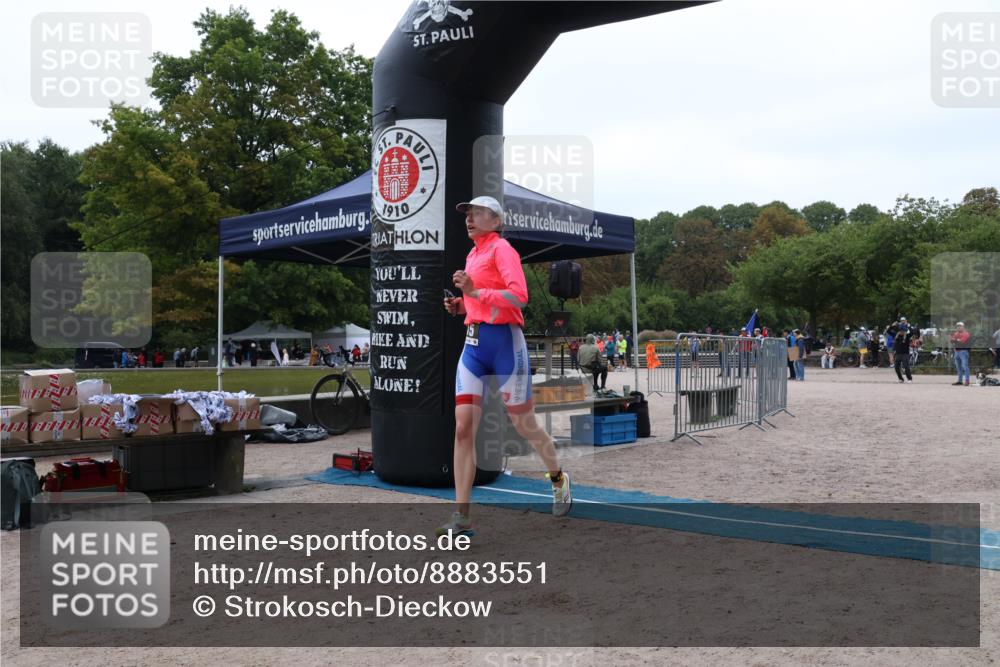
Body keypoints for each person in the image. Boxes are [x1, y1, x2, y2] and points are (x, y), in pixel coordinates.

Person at [439, 195, 571, 537]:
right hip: (473, 344)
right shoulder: (473, 253)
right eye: (467, 212)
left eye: (478, 213)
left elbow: (519, 296)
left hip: (505, 345)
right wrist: (461, 305)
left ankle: (558, 477)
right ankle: (462, 516)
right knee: (463, 428)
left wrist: (475, 291)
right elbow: (480, 299)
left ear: (496, 221)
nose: (469, 217)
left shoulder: (503, 250)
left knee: (524, 423)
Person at [950, 322, 972, 386]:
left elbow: (962, 341)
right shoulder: (956, 333)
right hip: (957, 351)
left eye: (960, 326)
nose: (958, 327)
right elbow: (951, 341)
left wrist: (955, 340)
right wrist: (957, 340)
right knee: (958, 367)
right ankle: (960, 381)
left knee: (965, 366)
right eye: (957, 326)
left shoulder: (966, 333)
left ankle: (967, 381)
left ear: (963, 327)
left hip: (964, 351)